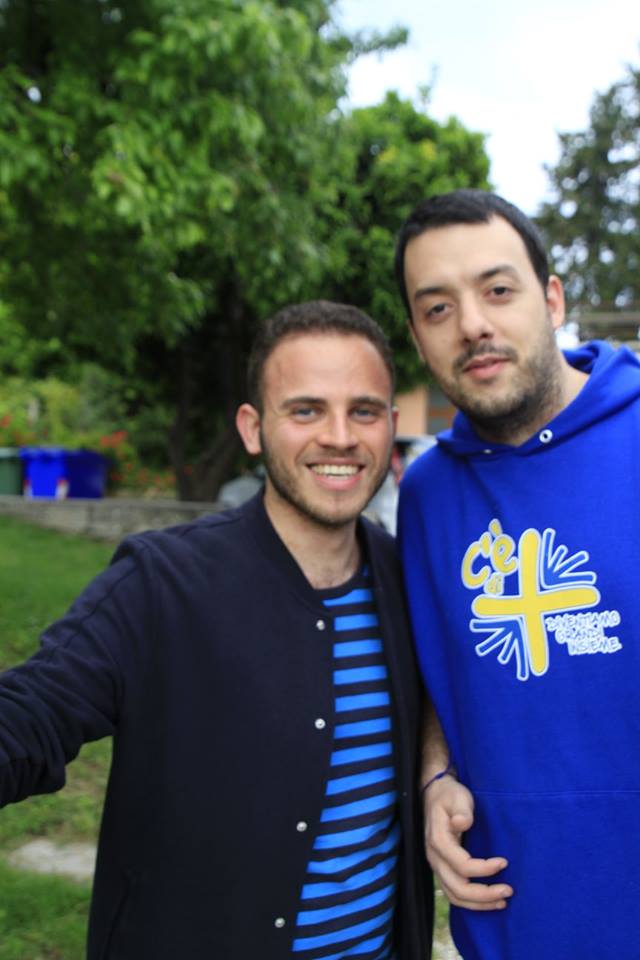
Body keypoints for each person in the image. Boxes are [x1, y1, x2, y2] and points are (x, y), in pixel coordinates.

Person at [0, 300, 432, 960]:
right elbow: (34, 712)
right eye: (306, 410)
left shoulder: (411, 586)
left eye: (365, 411)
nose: (340, 436)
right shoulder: (159, 583)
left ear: (392, 427)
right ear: (253, 429)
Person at [394, 189, 640, 959]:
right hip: (512, 927)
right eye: (438, 308)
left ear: (553, 299)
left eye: (498, 290)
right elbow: (441, 669)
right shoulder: (427, 494)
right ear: (418, 338)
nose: (472, 324)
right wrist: (435, 776)